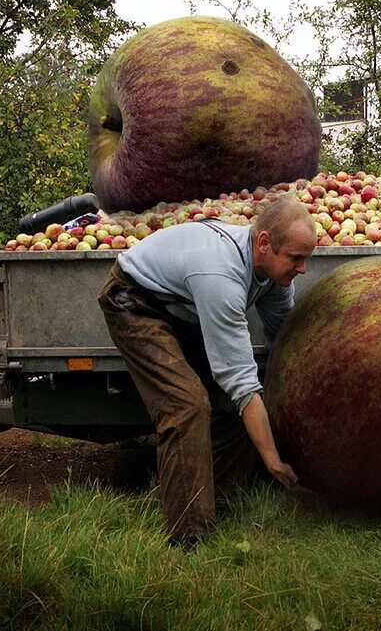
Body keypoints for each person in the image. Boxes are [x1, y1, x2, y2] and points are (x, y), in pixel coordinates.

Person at [97, 196, 315, 548]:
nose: (302, 269)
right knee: (187, 406)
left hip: (181, 309)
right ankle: (187, 536)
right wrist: (273, 461)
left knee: (231, 410)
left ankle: (216, 504)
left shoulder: (274, 279)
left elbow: (284, 340)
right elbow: (242, 383)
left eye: (306, 259)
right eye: (296, 258)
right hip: (134, 303)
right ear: (264, 244)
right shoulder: (220, 274)